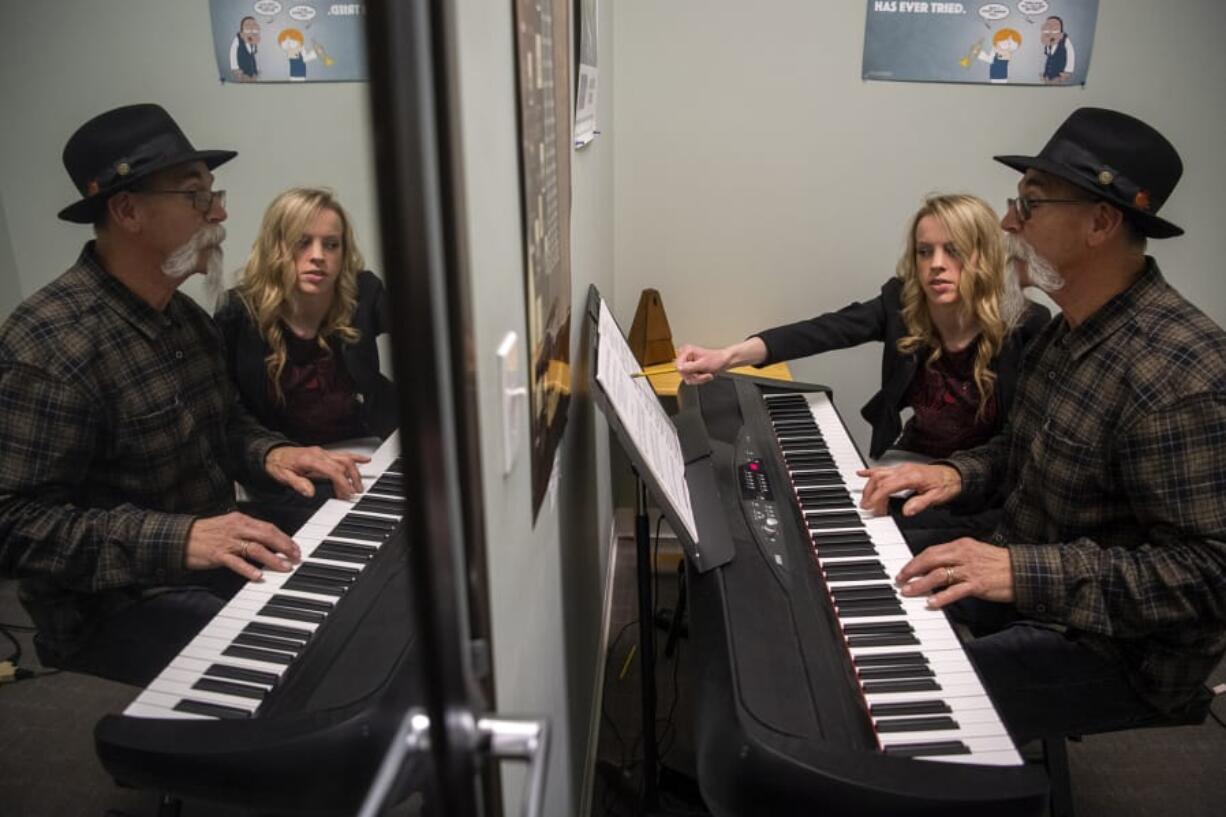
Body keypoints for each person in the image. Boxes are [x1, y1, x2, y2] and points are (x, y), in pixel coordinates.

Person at [859, 108, 1226, 742]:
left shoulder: (1178, 373)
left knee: (878, 700)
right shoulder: (1067, 330)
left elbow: (1208, 574)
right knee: (859, 567)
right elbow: (1017, 448)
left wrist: (1016, 571)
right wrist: (953, 472)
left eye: (1028, 205)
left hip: (1117, 649)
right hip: (1028, 568)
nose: (1007, 224)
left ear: (1100, 223)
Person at [0, 104, 370, 687]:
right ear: (128, 211)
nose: (220, 212)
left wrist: (272, 453)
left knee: (355, 573)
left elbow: (225, 428)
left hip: (208, 549)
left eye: (213, 194)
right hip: (114, 602)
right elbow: (16, 525)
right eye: (197, 197)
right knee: (306, 659)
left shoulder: (186, 319)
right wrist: (180, 538)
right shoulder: (50, 345)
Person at [675, 193, 1050, 464]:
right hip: (912, 456)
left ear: (982, 255)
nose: (936, 264)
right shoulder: (902, 303)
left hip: (982, 481)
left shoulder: (1025, 324)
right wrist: (728, 356)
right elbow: (824, 330)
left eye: (953, 250)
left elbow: (1021, 441)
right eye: (924, 251)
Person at [214, 188, 397, 518]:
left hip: (367, 450)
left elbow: (427, 334)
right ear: (277, 247)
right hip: (289, 467)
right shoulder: (237, 313)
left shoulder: (363, 291)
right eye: (303, 242)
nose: (318, 256)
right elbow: (227, 413)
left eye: (331, 244)